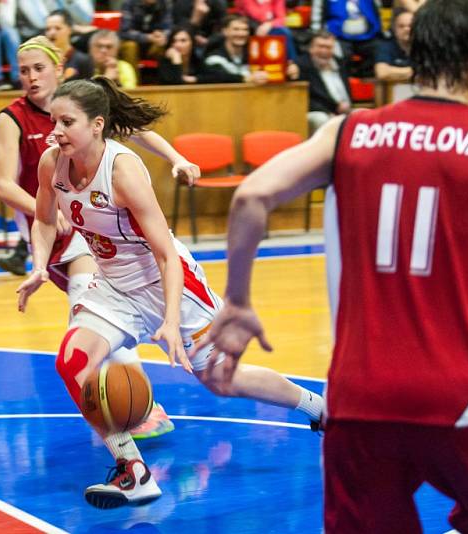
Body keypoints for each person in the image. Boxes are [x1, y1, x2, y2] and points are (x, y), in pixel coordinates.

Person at [198, 0, 468, 530]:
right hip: (464, 395)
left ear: (415, 52)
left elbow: (251, 196)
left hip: (359, 396)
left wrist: (240, 301)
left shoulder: (348, 131)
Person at [16, 76, 325, 508]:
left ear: (98, 125)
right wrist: (39, 266)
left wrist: (170, 321)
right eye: (54, 121)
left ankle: (318, 408)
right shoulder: (53, 163)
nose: (56, 131)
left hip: (167, 283)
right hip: (113, 286)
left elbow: (166, 255)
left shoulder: (123, 170)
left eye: (67, 122)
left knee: (222, 380)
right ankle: (134, 470)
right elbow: (45, 219)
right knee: (72, 362)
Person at [0, 36, 201, 440]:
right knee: (94, 309)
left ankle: (137, 404)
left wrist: (176, 158)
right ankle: (129, 400)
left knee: (91, 309)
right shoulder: (12, 118)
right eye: (23, 70)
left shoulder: (84, 108)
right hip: (52, 225)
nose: (31, 77)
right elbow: (3, 184)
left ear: (60, 70)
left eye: (38, 68)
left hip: (91, 228)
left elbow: (138, 131)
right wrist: (50, 208)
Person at [295, 30, 351, 135]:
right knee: (321, 119)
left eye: (328, 47)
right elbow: (303, 98)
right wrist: (329, 111)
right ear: (311, 48)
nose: (324, 51)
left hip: (344, 110)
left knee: (363, 114)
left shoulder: (340, 63)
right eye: (320, 46)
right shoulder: (301, 65)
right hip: (317, 111)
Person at [44, 9, 93, 81]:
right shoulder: (43, 59)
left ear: (70, 29)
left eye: (58, 28)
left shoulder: (83, 60)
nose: (52, 32)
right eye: (48, 29)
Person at [373, 7, 413, 82]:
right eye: (401, 26)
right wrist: (413, 71)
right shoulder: (385, 46)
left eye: (410, 26)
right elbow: (382, 73)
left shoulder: (425, 46)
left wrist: (394, 72)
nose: (407, 29)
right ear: (394, 29)